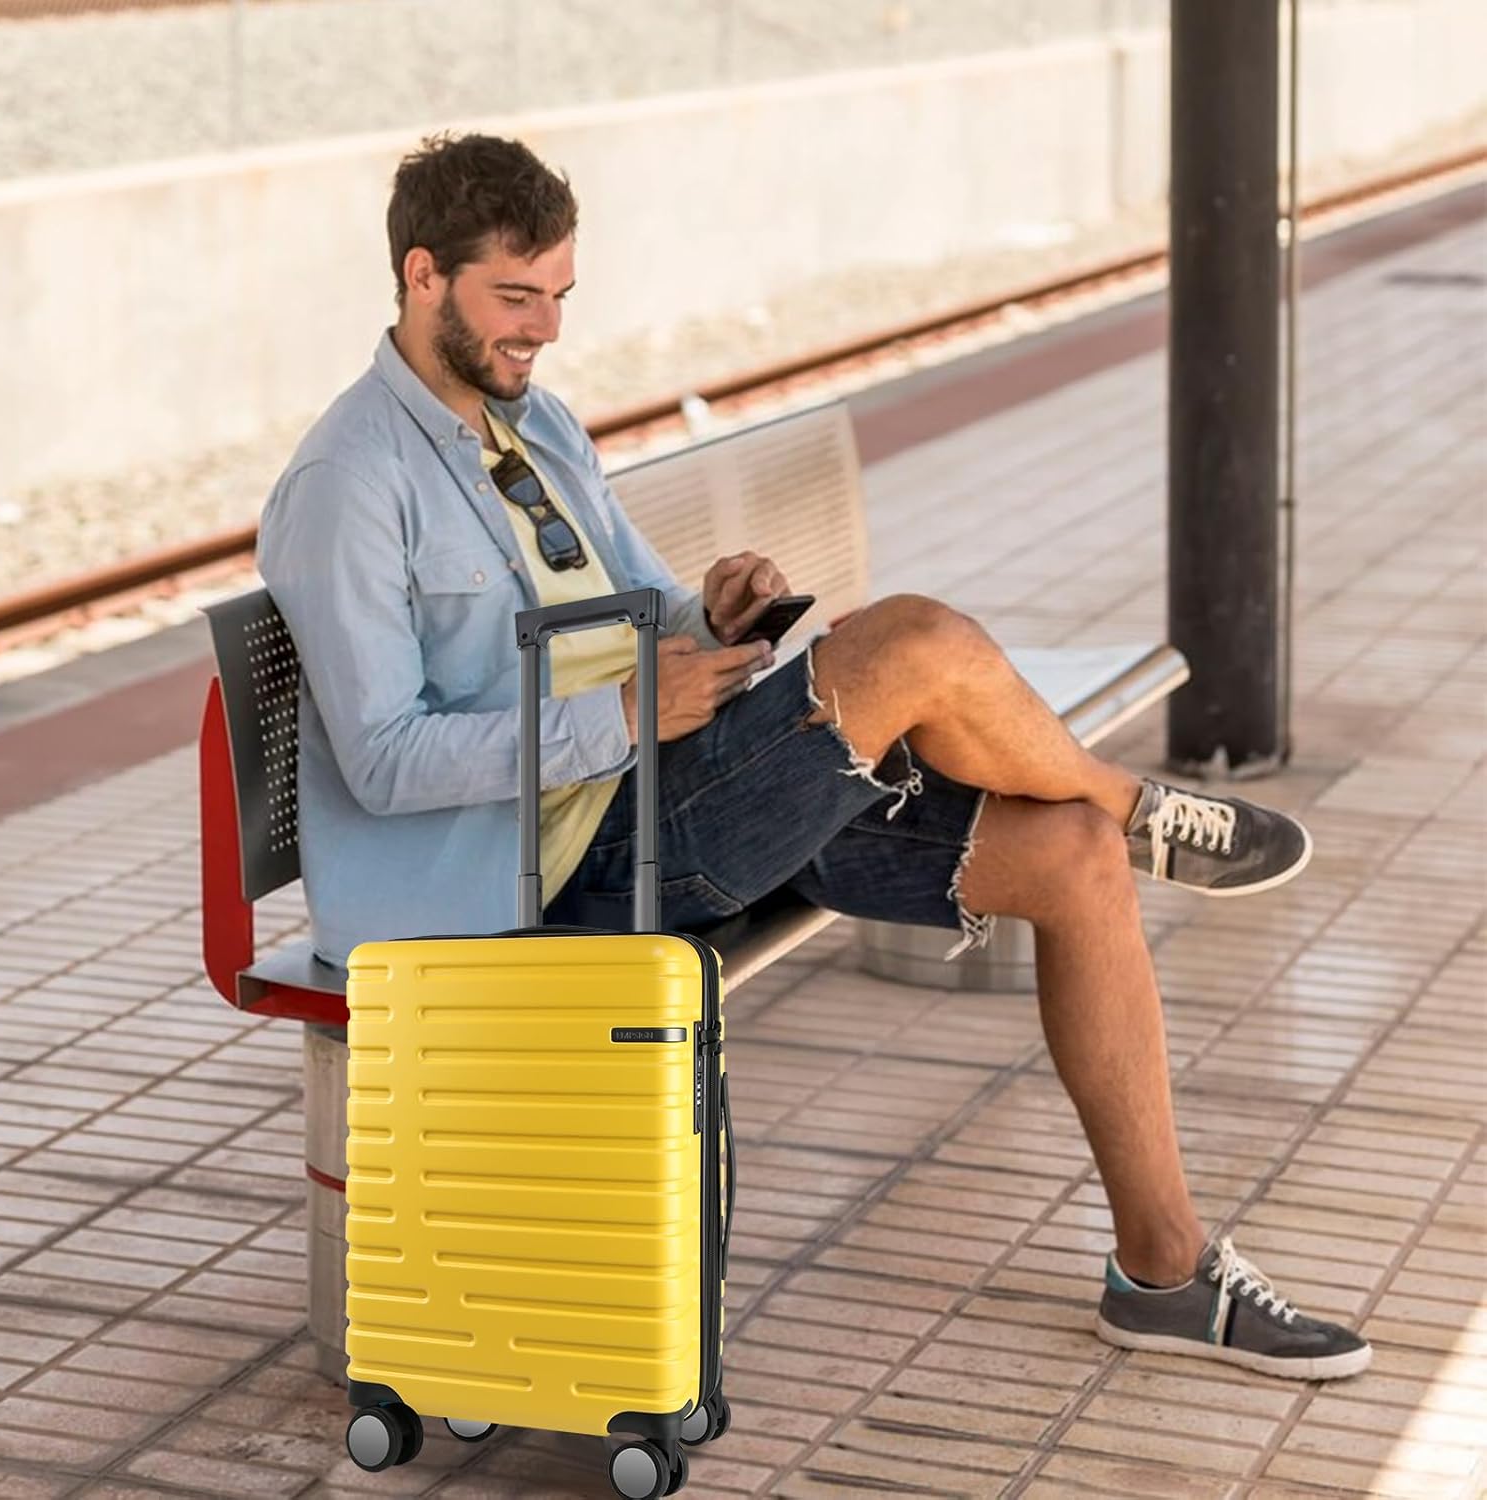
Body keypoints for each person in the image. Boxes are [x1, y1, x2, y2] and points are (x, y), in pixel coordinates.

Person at [257, 133, 1371, 1382]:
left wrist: (712, 614)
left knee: (1069, 853)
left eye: (561, 296)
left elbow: (637, 604)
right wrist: (627, 720)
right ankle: (1143, 801)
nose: (546, 332)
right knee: (909, 646)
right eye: (517, 299)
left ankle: (1164, 1273)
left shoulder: (538, 424)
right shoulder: (348, 481)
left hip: (649, 796)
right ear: (422, 276)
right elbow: (385, 757)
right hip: (543, 874)